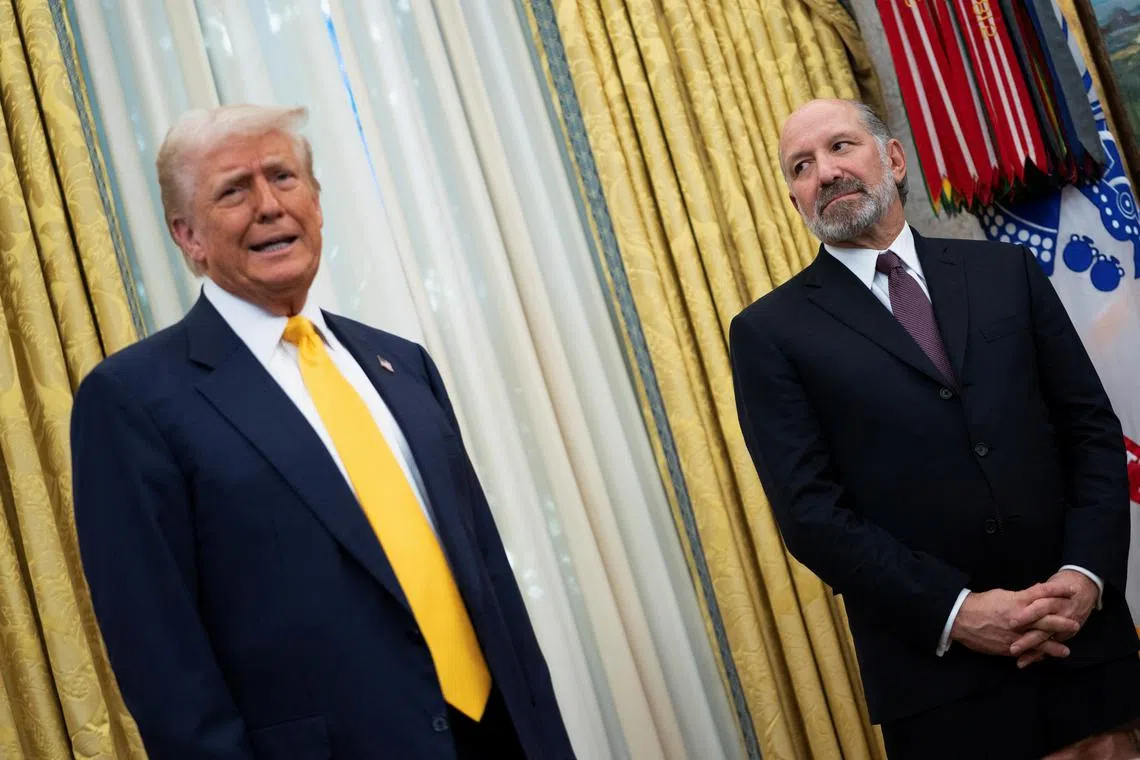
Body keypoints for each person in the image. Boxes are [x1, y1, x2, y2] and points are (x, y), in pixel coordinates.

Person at [71, 104, 575, 760]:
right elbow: (165, 667)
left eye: (283, 177)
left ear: (316, 202)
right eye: (234, 189)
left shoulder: (401, 364)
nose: (269, 205)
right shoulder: (132, 401)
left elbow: (489, 584)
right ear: (187, 236)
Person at [729, 98, 1140, 759]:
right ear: (794, 197)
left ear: (892, 159)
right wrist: (958, 611)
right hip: (942, 682)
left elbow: (1089, 432)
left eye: (840, 147)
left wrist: (1085, 574)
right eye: (801, 166)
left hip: (1080, 645)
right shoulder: (768, 333)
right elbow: (810, 514)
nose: (825, 173)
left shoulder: (1005, 270)